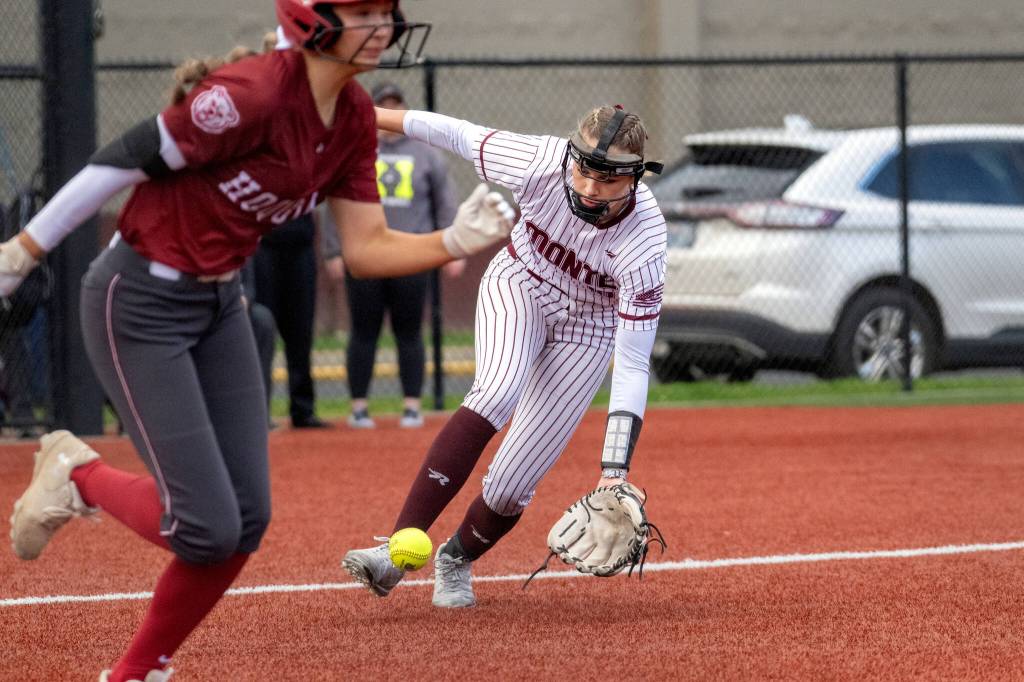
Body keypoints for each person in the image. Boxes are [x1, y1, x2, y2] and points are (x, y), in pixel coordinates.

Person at [0, 2, 512, 680]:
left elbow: (365, 248)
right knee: (205, 528)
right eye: (363, 12)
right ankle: (78, 475)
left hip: (218, 304)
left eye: (386, 11)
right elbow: (122, 160)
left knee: (245, 522)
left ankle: (136, 671)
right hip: (140, 299)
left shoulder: (355, 115)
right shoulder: (255, 91)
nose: (383, 25)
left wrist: (452, 242)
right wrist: (23, 250)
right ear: (309, 18)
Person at [342, 103, 667, 608]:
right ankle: (395, 550)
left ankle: (455, 559)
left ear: (636, 177)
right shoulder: (539, 159)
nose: (588, 188)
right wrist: (363, 112)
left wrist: (614, 471)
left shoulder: (645, 241)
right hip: (521, 284)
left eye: (608, 179)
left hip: (590, 326)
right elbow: (455, 133)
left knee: (514, 483)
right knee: (495, 392)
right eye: (583, 168)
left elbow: (631, 362)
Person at [320, 81, 463, 429]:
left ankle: (412, 405)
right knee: (363, 331)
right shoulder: (355, 149)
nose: (389, 112)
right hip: (364, 253)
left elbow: (444, 203)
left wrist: (454, 246)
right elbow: (332, 203)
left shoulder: (427, 153)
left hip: (411, 253)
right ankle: (358, 406)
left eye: (395, 105)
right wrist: (334, 251)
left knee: (410, 331)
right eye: (383, 105)